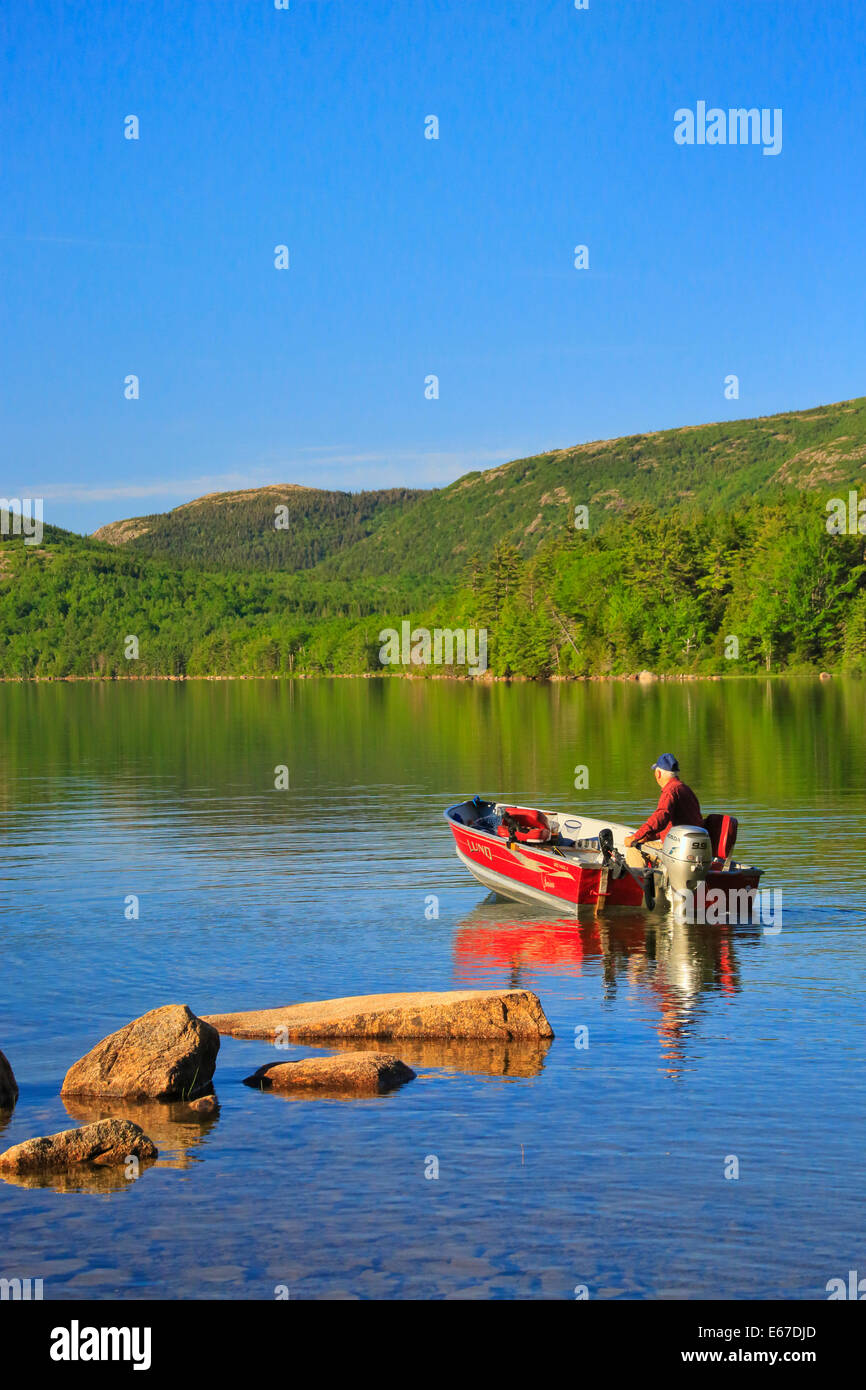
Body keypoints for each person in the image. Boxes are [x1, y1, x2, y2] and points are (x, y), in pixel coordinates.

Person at [623, 754, 703, 867]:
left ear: (658, 773)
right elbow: (670, 825)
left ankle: (640, 882)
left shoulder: (670, 791)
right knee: (645, 844)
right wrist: (647, 837)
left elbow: (661, 817)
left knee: (634, 850)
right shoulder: (684, 789)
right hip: (690, 848)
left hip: (677, 850)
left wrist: (635, 837)